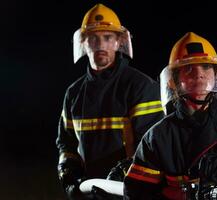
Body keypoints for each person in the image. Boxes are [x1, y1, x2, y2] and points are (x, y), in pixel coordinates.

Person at [124, 32, 217, 199]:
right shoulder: (157, 137)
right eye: (188, 68)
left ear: (216, 75)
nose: (198, 74)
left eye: (206, 67)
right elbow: (137, 194)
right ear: (173, 80)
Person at [56, 4, 164, 200]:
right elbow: (67, 143)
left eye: (107, 38)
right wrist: (68, 172)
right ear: (83, 43)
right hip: (89, 191)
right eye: (93, 38)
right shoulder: (74, 93)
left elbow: (152, 146)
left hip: (129, 189)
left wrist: (123, 176)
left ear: (118, 42)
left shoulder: (140, 86)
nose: (101, 45)